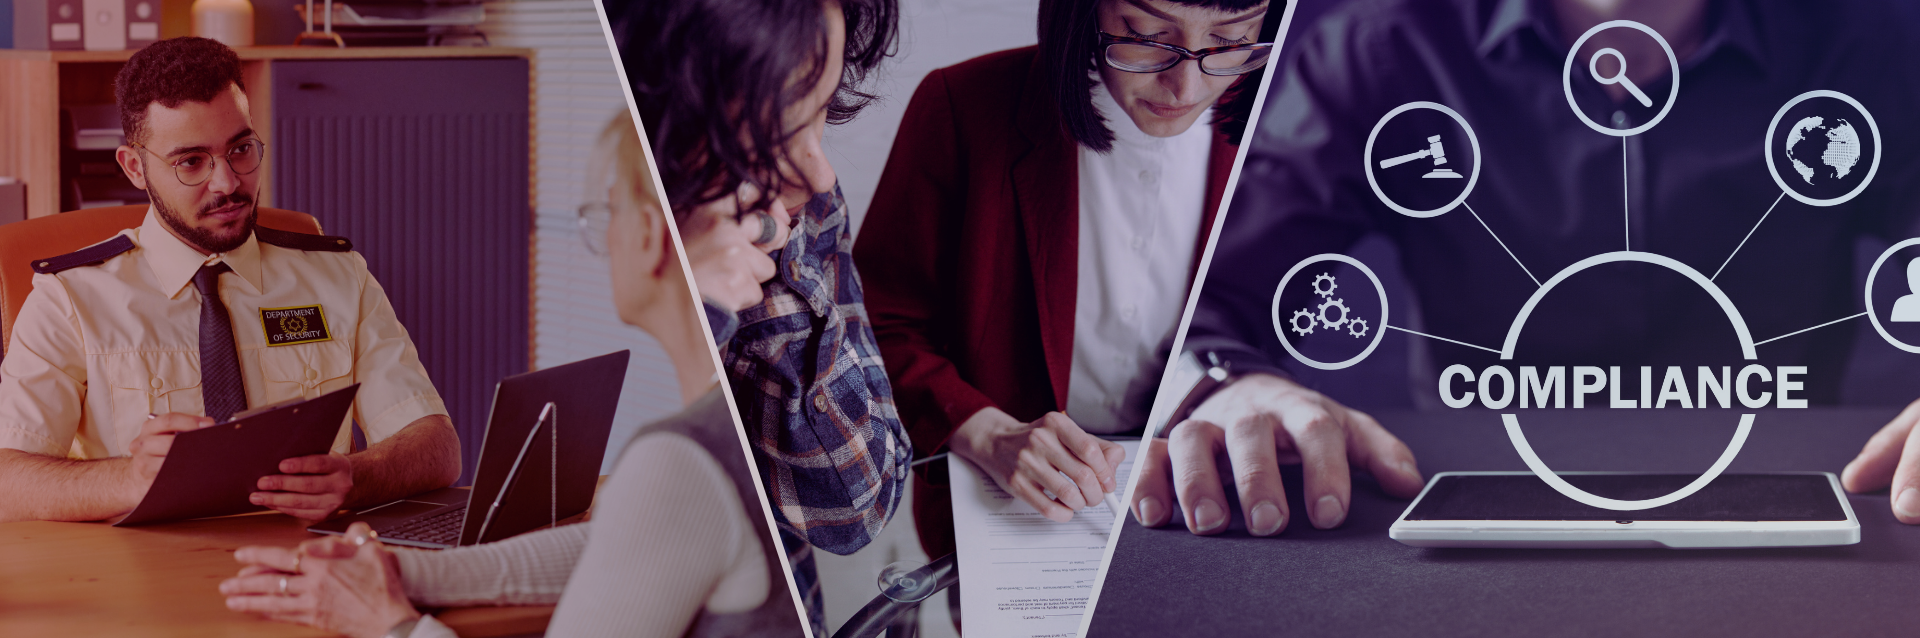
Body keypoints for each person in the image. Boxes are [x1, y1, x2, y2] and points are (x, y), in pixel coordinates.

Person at [1148, 0, 1920, 537]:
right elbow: (1210, 298)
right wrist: (1229, 381)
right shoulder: (1381, 51)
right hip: (1456, 511)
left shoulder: (1871, 46)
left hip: (1798, 507)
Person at [218, 110, 805, 638]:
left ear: (649, 236)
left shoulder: (678, 463)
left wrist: (389, 625)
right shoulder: (747, 415)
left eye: (606, 212)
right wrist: (405, 569)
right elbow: (609, 546)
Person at [853, 0, 1274, 558]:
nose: (1185, 88)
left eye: (1230, 41)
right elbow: (876, 324)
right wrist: (985, 432)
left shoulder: (1280, 119)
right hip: (1008, 505)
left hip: (1200, 505)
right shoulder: (965, 107)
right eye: (1146, 35)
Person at [0, 37, 461, 523]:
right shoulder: (70, 299)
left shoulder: (338, 278)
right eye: (191, 162)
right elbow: (8, 480)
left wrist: (354, 475)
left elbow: (435, 444)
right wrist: (129, 478)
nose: (227, 183)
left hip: (305, 566)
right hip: (145, 576)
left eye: (240, 149)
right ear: (135, 167)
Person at [606, 0, 912, 632]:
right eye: (771, 140)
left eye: (821, 110)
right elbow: (620, 545)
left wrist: (775, 276)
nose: (820, 172)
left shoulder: (802, 206)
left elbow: (859, 504)